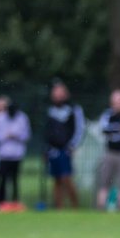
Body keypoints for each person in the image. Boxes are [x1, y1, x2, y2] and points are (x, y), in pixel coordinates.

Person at [45, 81, 85, 209]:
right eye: (55, 92)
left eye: (60, 92)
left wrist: (72, 146)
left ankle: (75, 206)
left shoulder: (74, 109)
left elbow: (80, 129)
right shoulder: (50, 110)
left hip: (66, 149)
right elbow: (47, 131)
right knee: (56, 179)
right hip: (53, 150)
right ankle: (59, 207)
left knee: (66, 178)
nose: (57, 95)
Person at [0, 96, 30, 209]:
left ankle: (15, 202)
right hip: (4, 153)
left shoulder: (22, 118)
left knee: (15, 179)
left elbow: (26, 134)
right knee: (2, 178)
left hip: (17, 154)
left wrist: (16, 135)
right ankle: (1, 202)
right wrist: (5, 136)